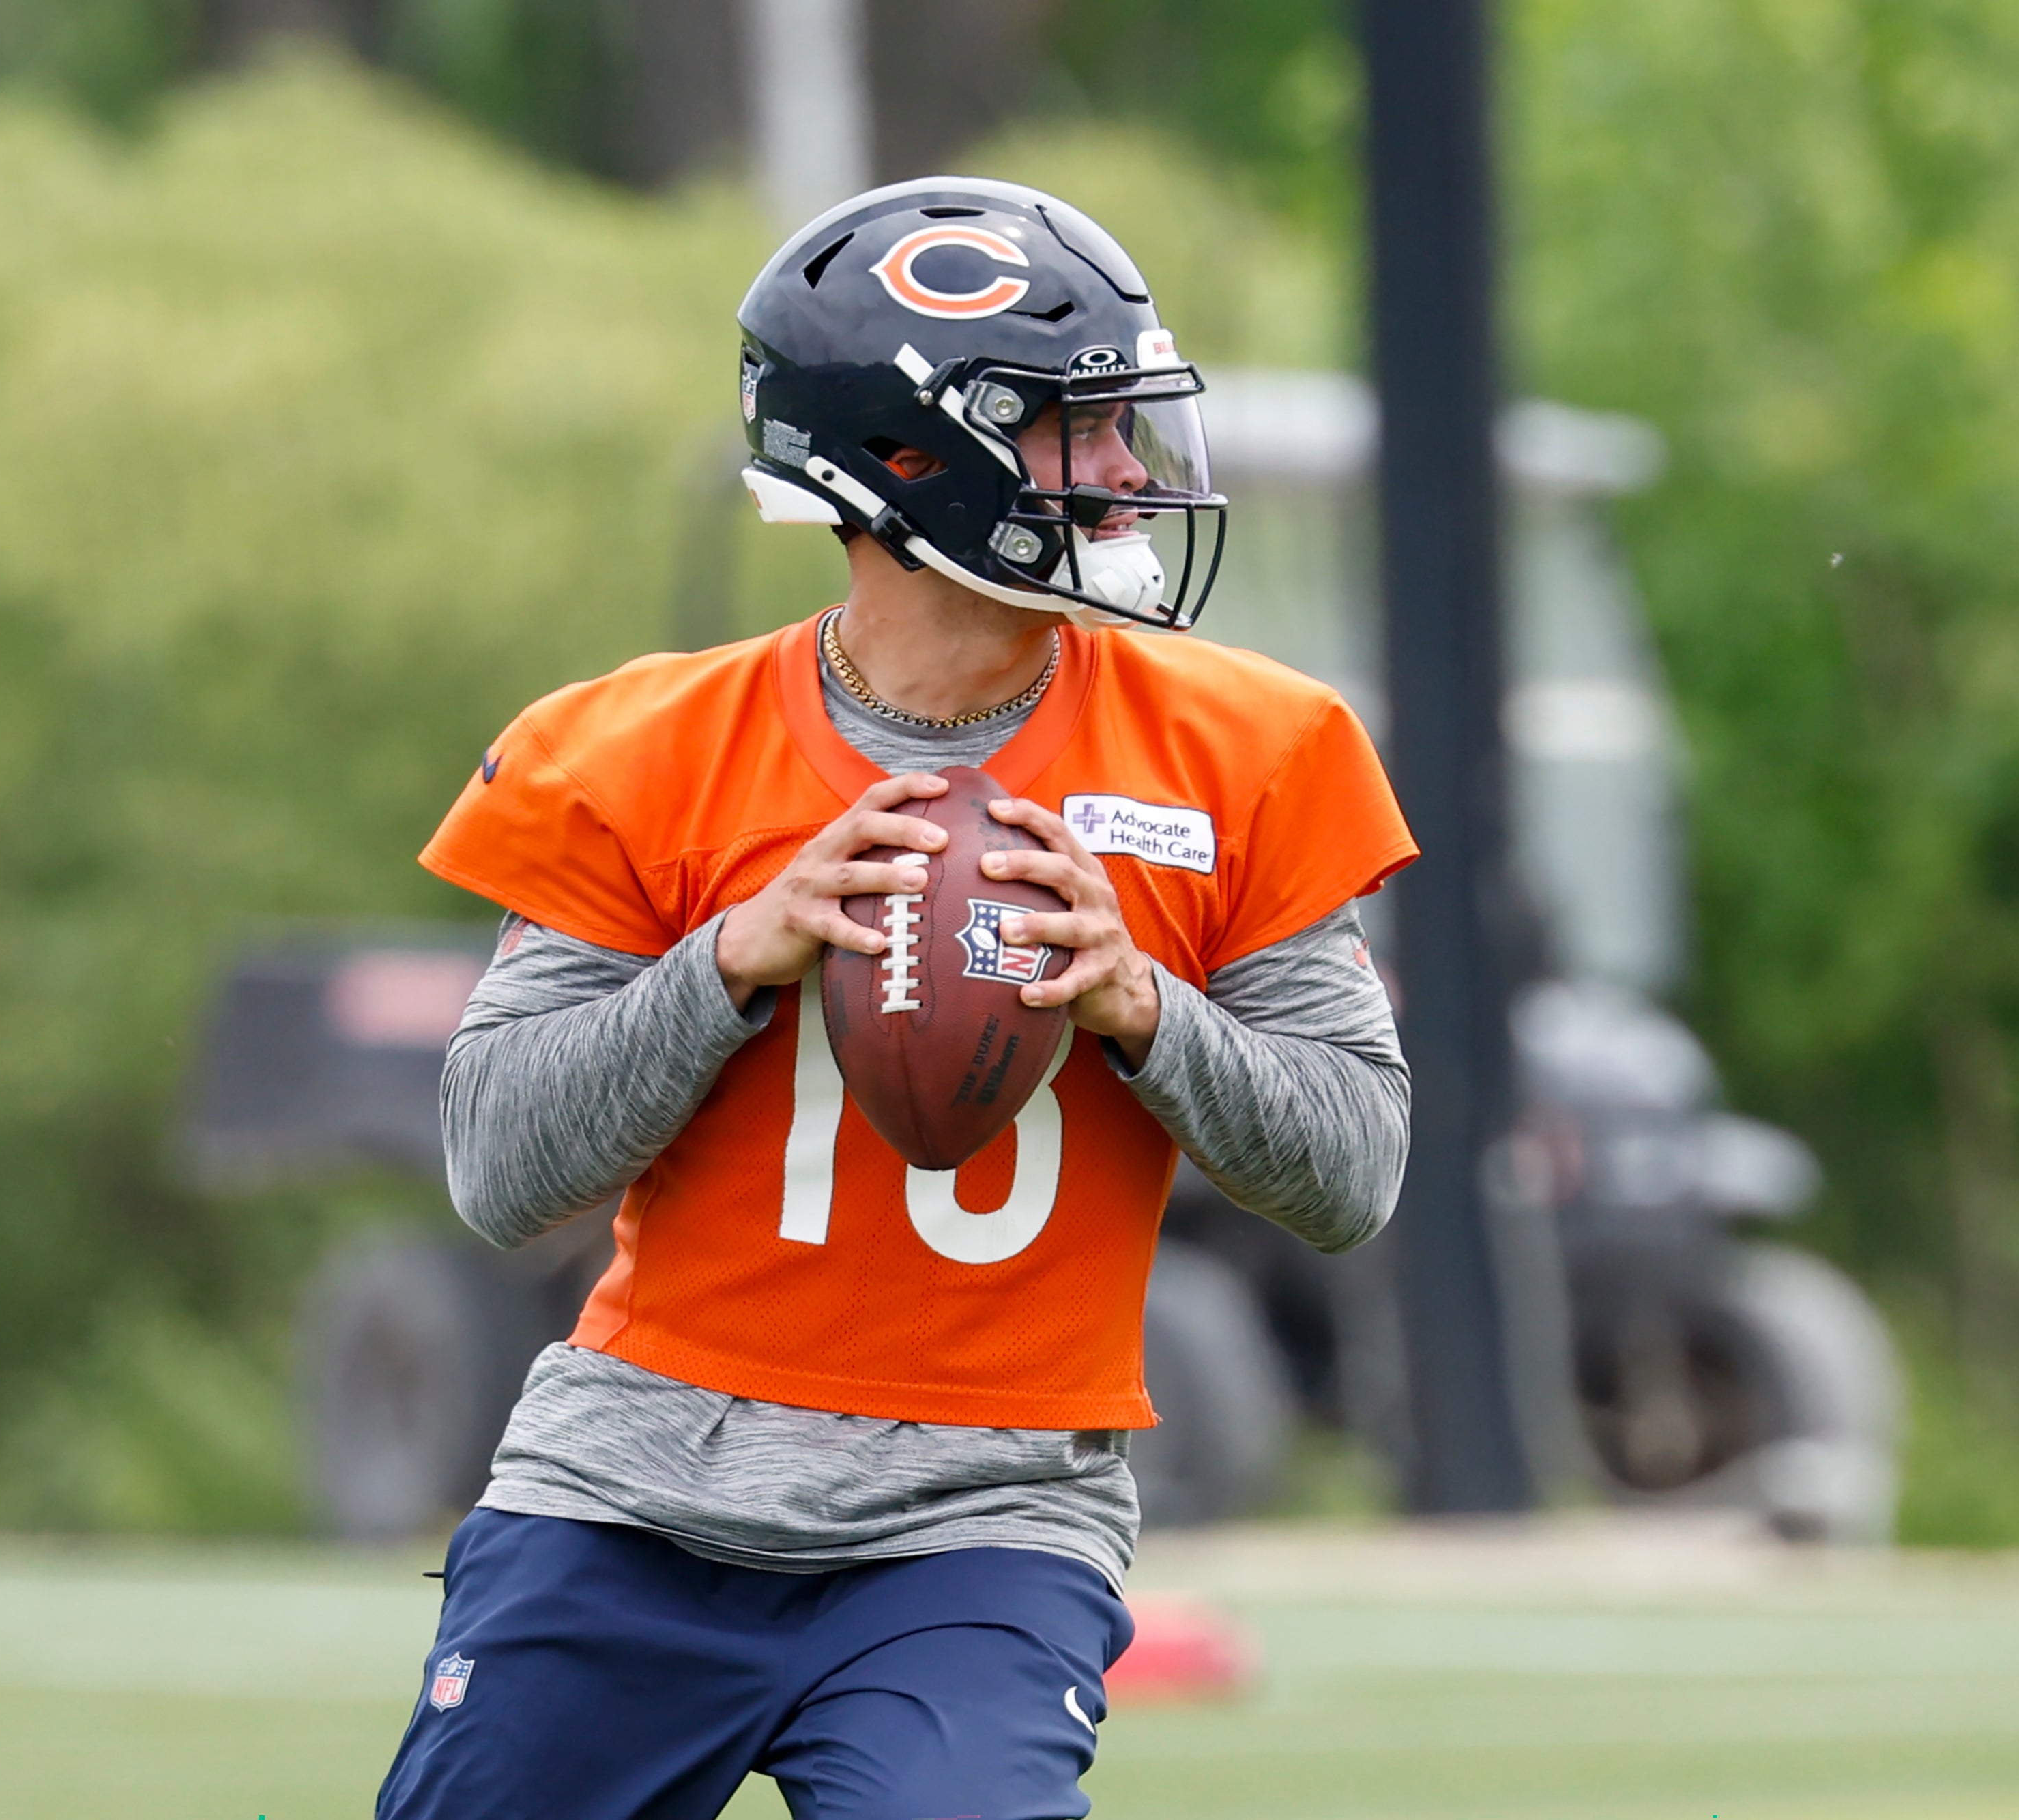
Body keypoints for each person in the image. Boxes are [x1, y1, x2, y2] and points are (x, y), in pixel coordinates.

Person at [377, 176, 1416, 1820]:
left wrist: (1140, 1004)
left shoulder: (1251, 750)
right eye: (1080, 429)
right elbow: (497, 1165)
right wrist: (731, 956)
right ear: (914, 461)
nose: (1133, 474)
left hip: (984, 1525)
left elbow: (1353, 1170)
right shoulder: (646, 749)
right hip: (626, 1498)